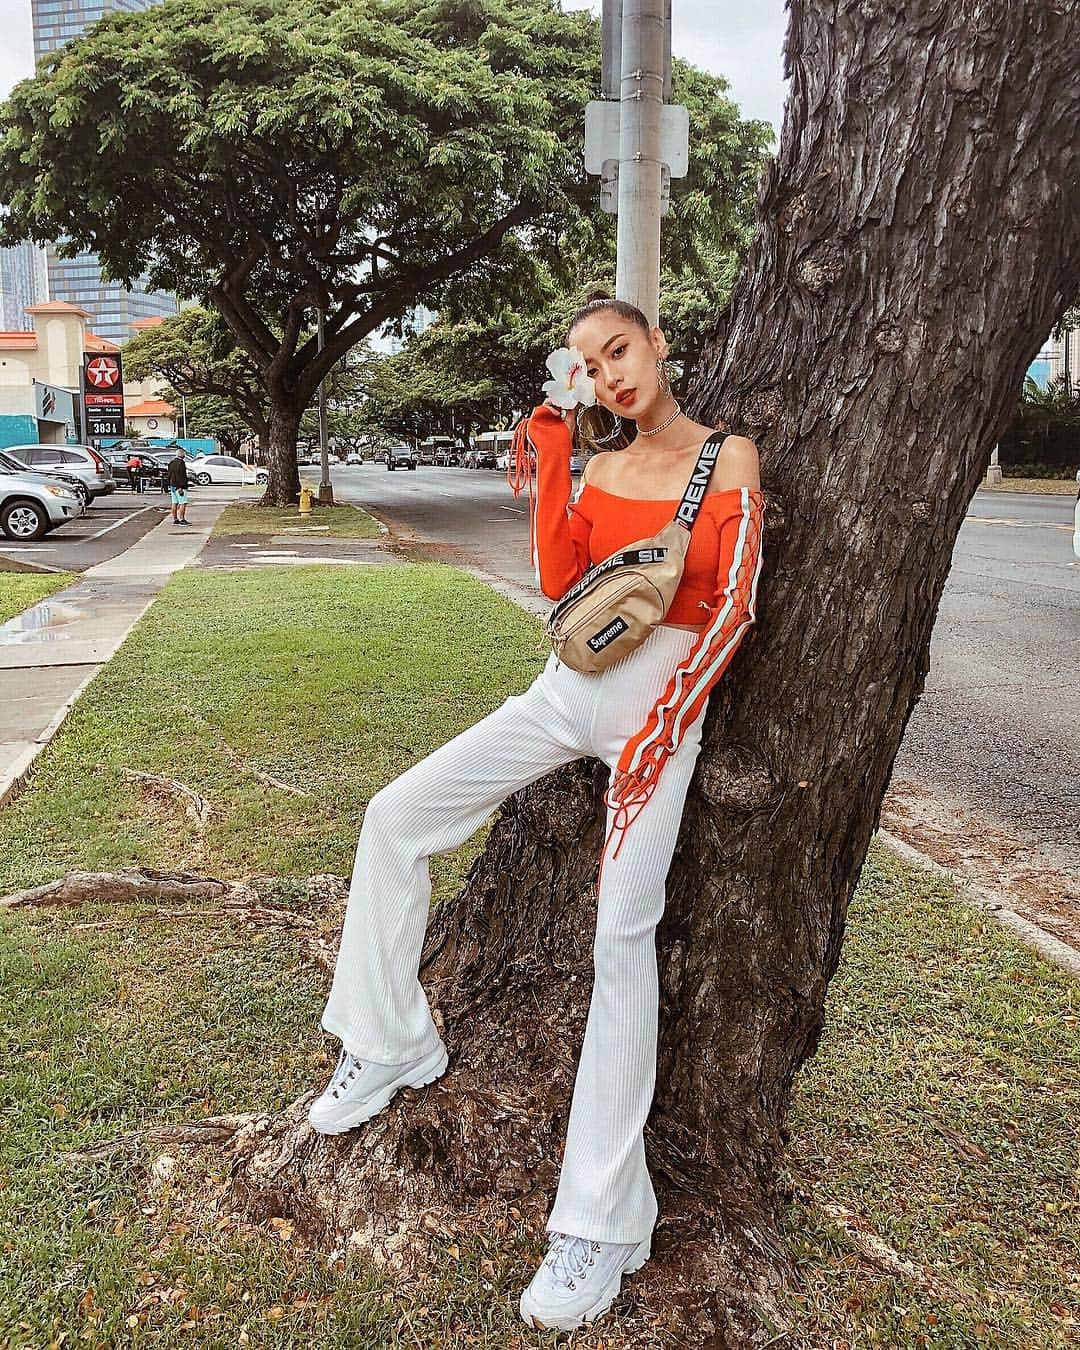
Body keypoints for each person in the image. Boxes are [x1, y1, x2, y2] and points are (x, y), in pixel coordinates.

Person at [308, 290, 765, 1333]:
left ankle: (601, 1222)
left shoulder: (726, 457)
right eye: (591, 368)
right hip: (566, 688)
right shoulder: (602, 463)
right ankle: (389, 1042)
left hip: (664, 705)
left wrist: (667, 729)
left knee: (621, 934)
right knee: (394, 817)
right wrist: (554, 455)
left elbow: (734, 606)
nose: (612, 376)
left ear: (656, 344)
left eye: (620, 351)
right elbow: (563, 578)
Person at [166, 447, 190, 526]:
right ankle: (182, 519)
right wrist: (181, 486)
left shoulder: (171, 462)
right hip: (180, 486)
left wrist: (170, 484)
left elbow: (169, 474)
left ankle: (175, 519)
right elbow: (181, 475)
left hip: (173, 485)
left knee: (174, 503)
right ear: (182, 454)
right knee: (183, 503)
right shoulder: (181, 463)